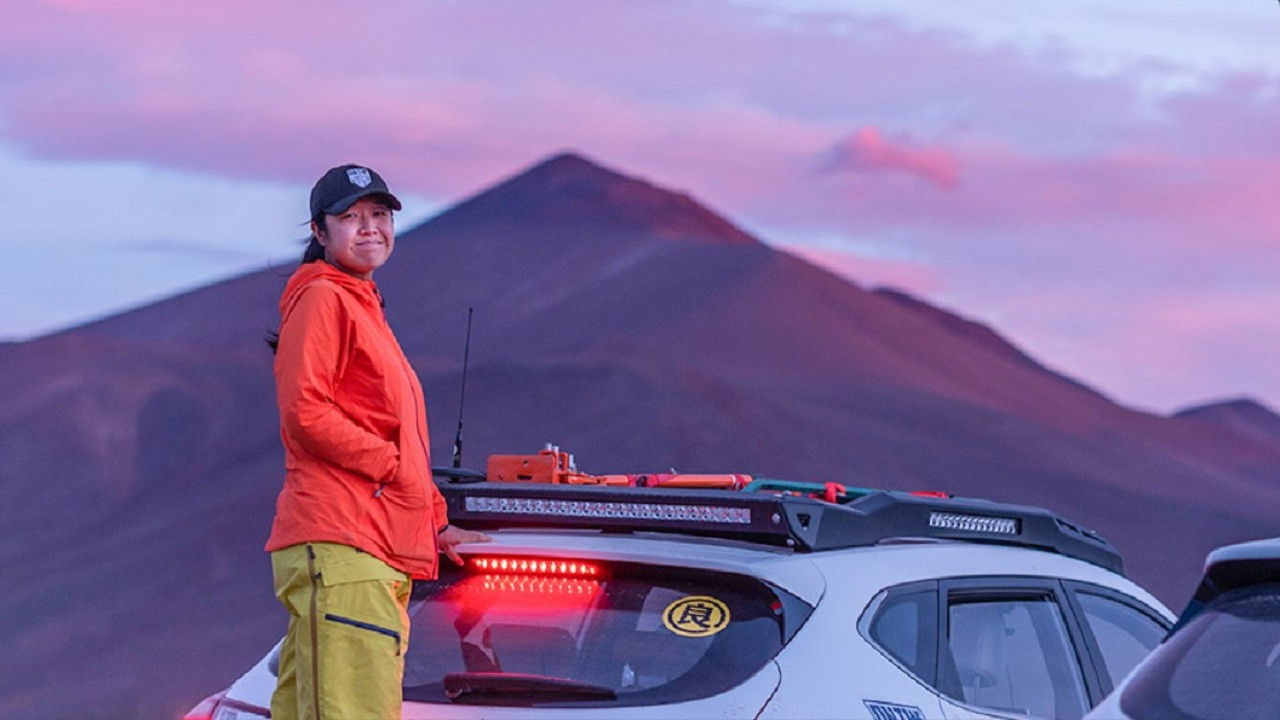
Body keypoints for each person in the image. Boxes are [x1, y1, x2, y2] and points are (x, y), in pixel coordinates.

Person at [265, 164, 488, 720]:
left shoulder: (361, 304)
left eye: (380, 215)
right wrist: (392, 467)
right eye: (350, 217)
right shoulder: (323, 298)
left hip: (368, 547)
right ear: (320, 232)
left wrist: (433, 522)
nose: (369, 228)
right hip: (345, 544)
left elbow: (393, 433)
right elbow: (305, 414)